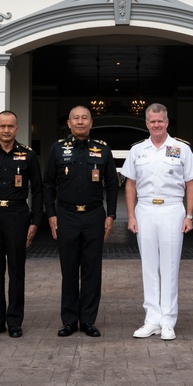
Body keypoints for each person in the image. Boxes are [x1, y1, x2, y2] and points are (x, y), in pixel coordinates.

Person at [122, 103, 193, 341]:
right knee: (149, 266)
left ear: (167, 122)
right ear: (146, 124)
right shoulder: (137, 150)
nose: (156, 125)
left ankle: (168, 320)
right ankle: (151, 320)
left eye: (160, 121)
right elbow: (130, 184)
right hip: (145, 208)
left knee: (169, 267)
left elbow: (191, 183)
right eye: (152, 121)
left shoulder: (181, 148)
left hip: (171, 209)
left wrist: (189, 215)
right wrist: (131, 216)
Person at [43, 105, 118, 337]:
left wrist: (111, 214)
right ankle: (68, 320)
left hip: (94, 216)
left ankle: (88, 320)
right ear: (69, 123)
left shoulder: (102, 149)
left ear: (91, 123)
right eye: (75, 118)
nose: (80, 122)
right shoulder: (57, 149)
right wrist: (51, 214)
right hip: (66, 216)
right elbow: (47, 184)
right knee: (69, 270)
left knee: (91, 271)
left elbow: (113, 184)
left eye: (85, 118)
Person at [0, 111, 43, 338]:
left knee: (16, 271)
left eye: (10, 126)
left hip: (17, 214)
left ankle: (14, 321)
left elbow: (38, 190)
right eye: (2, 126)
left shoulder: (28, 155)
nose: (6, 130)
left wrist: (36, 221)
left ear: (17, 129)